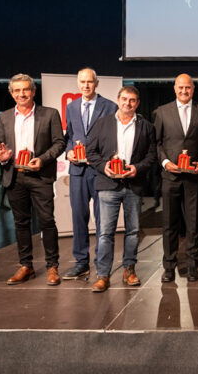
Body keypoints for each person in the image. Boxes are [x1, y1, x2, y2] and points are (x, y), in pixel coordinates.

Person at [0, 74, 66, 286]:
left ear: (33, 91)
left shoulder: (50, 114)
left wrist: (42, 160)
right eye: (17, 90)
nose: (21, 94)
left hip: (40, 176)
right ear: (11, 93)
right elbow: (1, 147)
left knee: (47, 221)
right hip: (14, 176)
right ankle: (26, 265)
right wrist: (3, 158)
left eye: (25, 89)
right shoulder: (4, 117)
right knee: (20, 223)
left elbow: (59, 143)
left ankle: (52, 266)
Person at [86, 86, 157, 292]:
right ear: (118, 100)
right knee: (105, 233)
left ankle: (129, 270)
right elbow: (91, 152)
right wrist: (104, 166)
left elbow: (151, 156)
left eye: (132, 100)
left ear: (138, 103)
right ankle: (103, 275)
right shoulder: (102, 123)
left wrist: (137, 168)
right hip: (108, 185)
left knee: (133, 232)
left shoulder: (146, 126)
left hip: (133, 185)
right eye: (124, 99)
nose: (128, 103)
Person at [154, 73, 198, 283]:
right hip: (170, 176)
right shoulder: (161, 112)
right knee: (169, 223)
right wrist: (165, 162)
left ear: (193, 89)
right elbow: (157, 143)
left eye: (188, 87)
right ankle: (169, 266)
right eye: (180, 87)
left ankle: (192, 264)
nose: (184, 91)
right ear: (174, 88)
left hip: (194, 177)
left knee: (193, 224)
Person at [62, 68, 118, 280]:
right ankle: (81, 263)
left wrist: (101, 158)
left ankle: (101, 265)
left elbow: (113, 138)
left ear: (97, 83)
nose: (86, 85)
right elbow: (70, 136)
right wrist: (69, 152)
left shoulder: (110, 106)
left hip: (99, 171)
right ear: (78, 83)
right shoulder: (71, 107)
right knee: (79, 217)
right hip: (77, 171)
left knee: (103, 220)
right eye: (82, 82)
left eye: (90, 82)